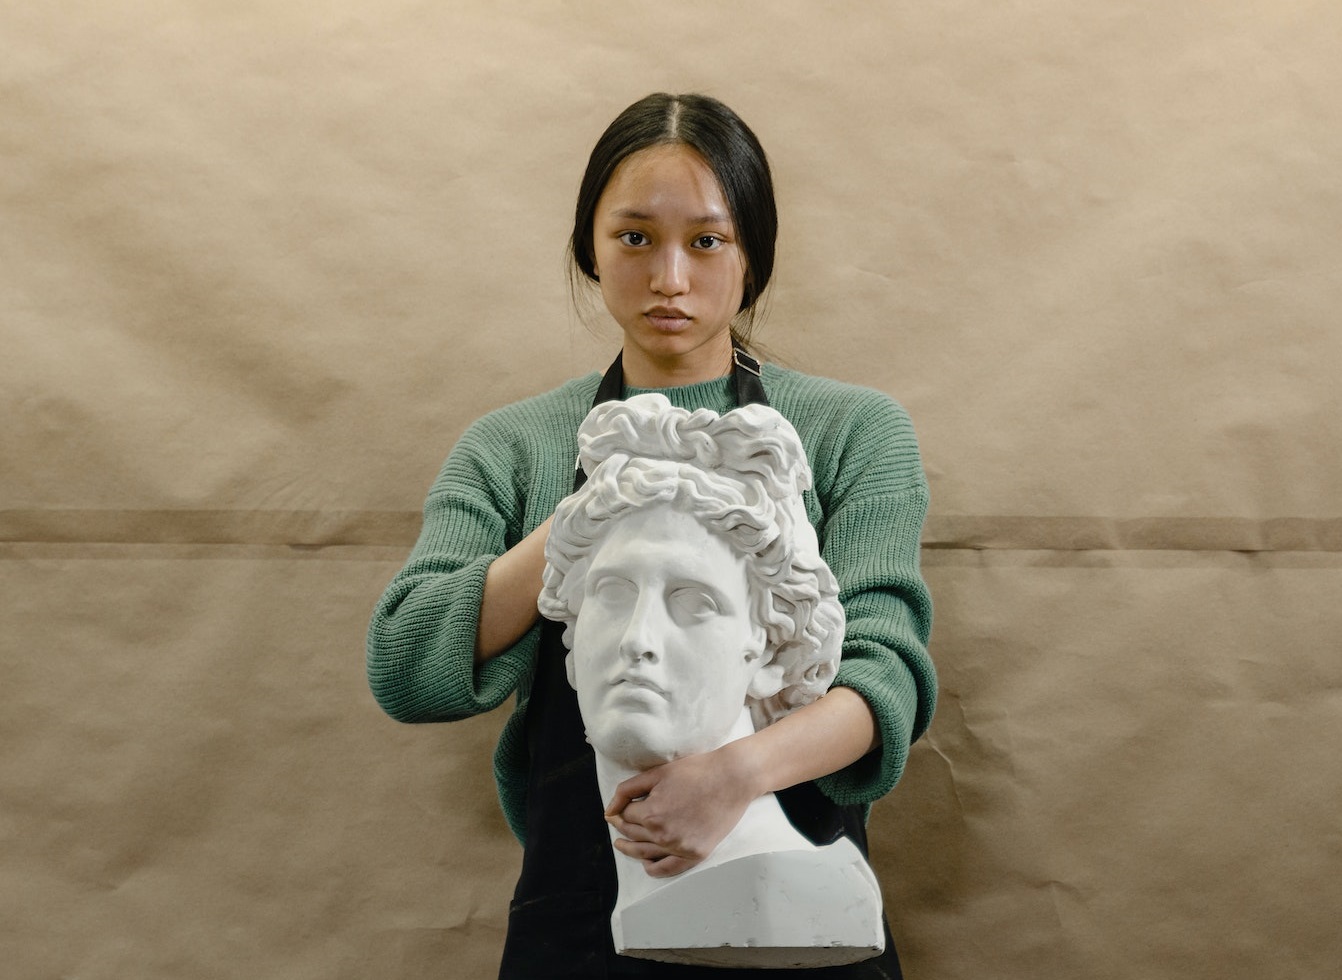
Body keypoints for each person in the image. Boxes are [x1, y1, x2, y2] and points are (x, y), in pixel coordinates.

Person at [366, 92, 936, 978]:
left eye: (707, 240)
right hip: (580, 921)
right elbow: (408, 666)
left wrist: (735, 778)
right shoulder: (516, 447)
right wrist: (595, 516)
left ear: (754, 255)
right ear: (588, 249)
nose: (671, 276)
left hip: (794, 913)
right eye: (634, 237)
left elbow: (884, 675)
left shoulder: (852, 434)